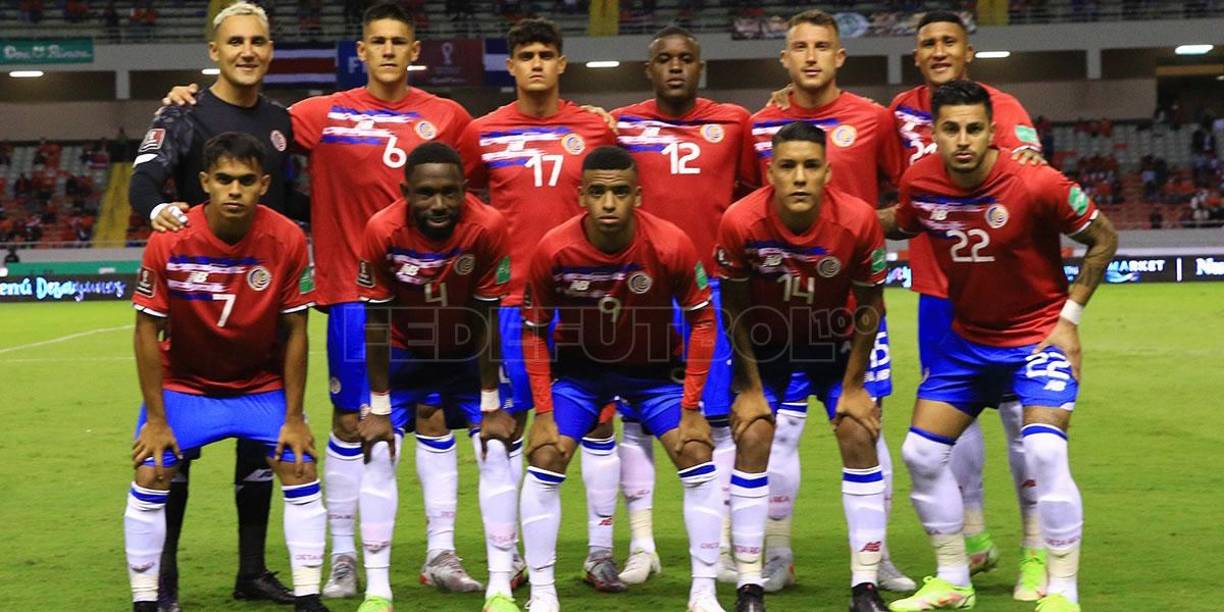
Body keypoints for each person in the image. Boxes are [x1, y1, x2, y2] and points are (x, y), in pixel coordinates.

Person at [880, 80, 1118, 612]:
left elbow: (1103, 238)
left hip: (1037, 341)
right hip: (968, 344)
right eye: (950, 129)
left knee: (1044, 451)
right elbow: (902, 221)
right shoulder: (920, 179)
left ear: (992, 131)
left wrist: (1070, 318)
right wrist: (840, 221)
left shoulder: (1037, 183)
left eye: (973, 128)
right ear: (934, 134)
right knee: (920, 453)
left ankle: (1061, 591)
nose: (962, 140)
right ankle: (953, 582)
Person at [129, 4, 301, 608]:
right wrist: (160, 215)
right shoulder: (183, 111)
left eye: (257, 41)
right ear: (214, 51)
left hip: (262, 301)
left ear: (269, 50)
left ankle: (251, 571)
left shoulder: (282, 120)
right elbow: (144, 179)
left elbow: (293, 200)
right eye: (235, 42)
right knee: (175, 448)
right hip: (199, 299)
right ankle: (166, 577)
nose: (247, 51)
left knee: (262, 447)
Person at [124, 132, 328, 612]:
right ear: (204, 183)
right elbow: (145, 332)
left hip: (258, 386)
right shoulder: (170, 240)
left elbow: (296, 331)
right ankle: (145, 599)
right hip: (185, 386)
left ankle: (308, 597)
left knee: (299, 463)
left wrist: (294, 416)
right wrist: (156, 421)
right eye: (223, 180)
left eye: (244, 181)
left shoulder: (287, 238)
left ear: (263, 184)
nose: (234, 190)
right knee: (151, 471)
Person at [518, 146, 724, 612]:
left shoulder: (670, 243)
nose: (608, 203)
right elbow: (532, 330)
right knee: (546, 455)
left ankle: (704, 592)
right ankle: (545, 594)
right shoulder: (554, 248)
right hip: (581, 374)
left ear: (638, 195)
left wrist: (691, 407)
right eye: (597, 192)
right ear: (580, 197)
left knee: (695, 452)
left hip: (653, 375)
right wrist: (544, 413)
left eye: (619, 192)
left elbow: (704, 322)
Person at [886, 12, 1050, 598]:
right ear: (917, 55)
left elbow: (1033, 173)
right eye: (927, 43)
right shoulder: (901, 112)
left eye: (948, 41)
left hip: (1007, 297)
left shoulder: (1002, 110)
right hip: (936, 291)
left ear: (969, 52)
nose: (937, 50)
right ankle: (974, 540)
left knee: (1018, 424)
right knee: (951, 424)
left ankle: (1037, 552)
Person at [749, 8, 911, 594]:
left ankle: (879, 556)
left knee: (864, 425)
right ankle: (778, 556)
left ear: (840, 56)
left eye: (822, 45)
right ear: (785, 58)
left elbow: (914, 195)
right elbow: (748, 207)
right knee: (781, 434)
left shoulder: (873, 119)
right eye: (800, 46)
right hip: (781, 313)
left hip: (854, 311)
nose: (811, 55)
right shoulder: (760, 125)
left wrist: (864, 224)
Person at [458, 16, 621, 593]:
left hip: (582, 304)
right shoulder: (483, 132)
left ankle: (600, 552)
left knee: (599, 424)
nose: (534, 63)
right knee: (502, 427)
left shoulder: (596, 130)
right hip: (509, 302)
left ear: (560, 64)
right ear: (512, 65)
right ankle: (510, 560)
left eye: (544, 54)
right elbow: (459, 197)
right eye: (524, 54)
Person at [606, 24, 758, 586]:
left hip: (709, 291)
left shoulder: (733, 123)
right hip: (637, 292)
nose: (675, 67)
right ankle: (642, 543)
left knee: (715, 420)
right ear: (650, 70)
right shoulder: (621, 125)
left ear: (701, 67)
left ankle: (716, 543)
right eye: (664, 59)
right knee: (636, 420)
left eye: (685, 58)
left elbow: (754, 192)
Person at [717, 122, 891, 612]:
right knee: (752, 436)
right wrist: (749, 389)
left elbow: (870, 305)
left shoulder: (857, 221)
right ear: (770, 171)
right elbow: (733, 305)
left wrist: (855, 387)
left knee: (858, 432)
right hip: (766, 346)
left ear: (827, 173)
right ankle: (749, 586)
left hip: (831, 345)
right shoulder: (740, 221)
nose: (799, 177)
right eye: (788, 166)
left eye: (810, 166)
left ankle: (865, 586)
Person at [356, 142, 519, 612]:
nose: (440, 205)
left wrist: (490, 403)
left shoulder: (487, 226)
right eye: (426, 193)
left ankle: (500, 589)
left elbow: (488, 316)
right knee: (379, 453)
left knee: (494, 453)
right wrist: (380, 408)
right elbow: (377, 322)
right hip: (405, 356)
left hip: (467, 356)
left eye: (450, 193)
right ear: (405, 191)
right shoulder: (382, 230)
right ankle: (377, 591)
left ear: (465, 190)